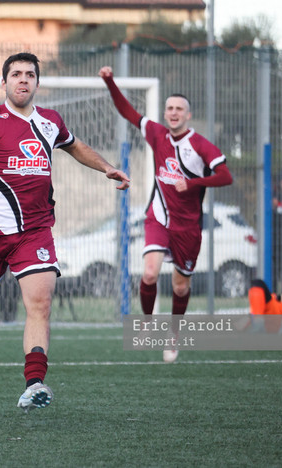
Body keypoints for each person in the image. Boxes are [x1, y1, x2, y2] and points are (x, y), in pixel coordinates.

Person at [0, 53, 130, 411]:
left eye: (29, 74)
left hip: (35, 231)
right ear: (3, 83)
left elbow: (74, 145)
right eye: (15, 74)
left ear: (36, 82)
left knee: (40, 302)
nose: (23, 80)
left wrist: (107, 167)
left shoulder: (50, 121)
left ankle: (35, 384)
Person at [100, 66, 233, 363]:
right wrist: (109, 81)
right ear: (165, 113)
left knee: (180, 285)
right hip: (158, 217)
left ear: (187, 115)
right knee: (149, 273)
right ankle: (147, 324)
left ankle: (173, 335)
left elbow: (226, 176)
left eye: (179, 109)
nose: (173, 113)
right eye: (169, 108)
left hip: (188, 228)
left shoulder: (200, 145)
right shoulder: (157, 134)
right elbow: (127, 111)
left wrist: (194, 182)